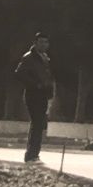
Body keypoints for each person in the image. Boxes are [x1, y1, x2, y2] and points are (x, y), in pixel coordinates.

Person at [15, 32, 54, 163]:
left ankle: (34, 154)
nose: (44, 45)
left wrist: (49, 92)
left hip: (42, 95)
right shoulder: (29, 57)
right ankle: (31, 155)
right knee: (37, 123)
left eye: (46, 42)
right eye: (41, 42)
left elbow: (47, 77)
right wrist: (35, 85)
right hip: (33, 95)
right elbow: (19, 73)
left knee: (39, 124)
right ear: (35, 43)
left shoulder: (45, 58)